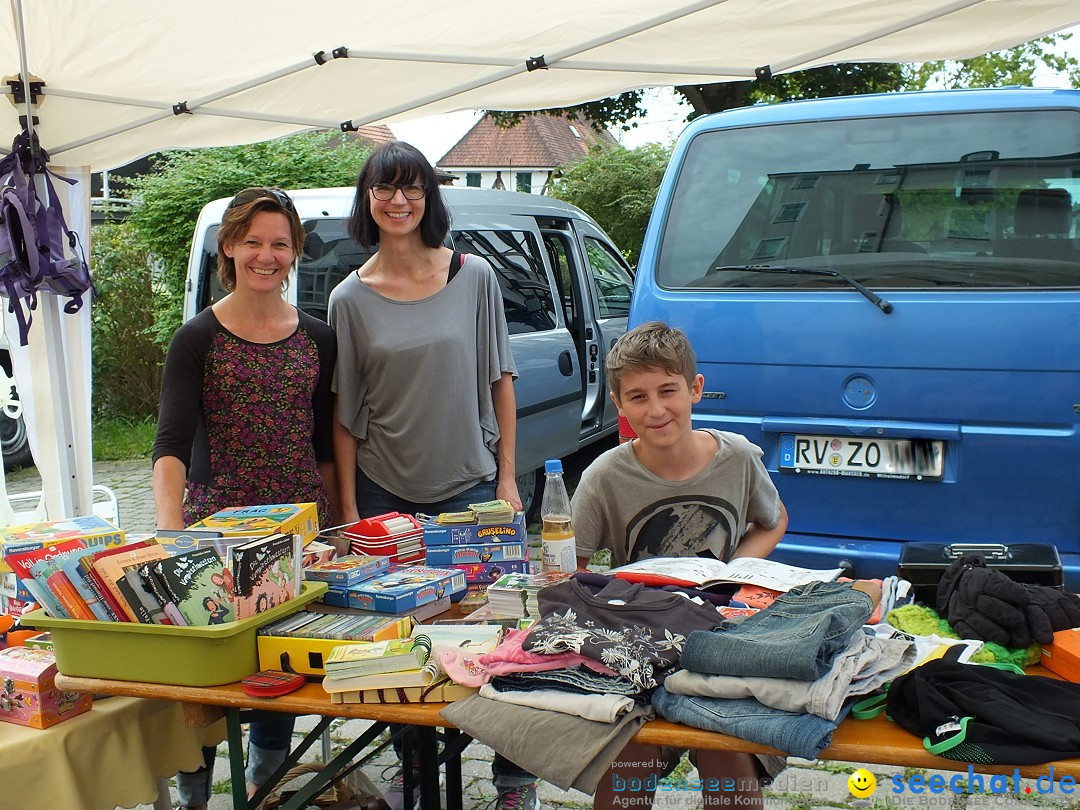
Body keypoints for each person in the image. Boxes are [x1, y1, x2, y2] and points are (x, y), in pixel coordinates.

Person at [328, 141, 537, 810]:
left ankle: (513, 780)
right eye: (385, 189)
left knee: (506, 633)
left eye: (411, 188)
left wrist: (507, 478)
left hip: (473, 487)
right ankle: (412, 769)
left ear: (429, 198)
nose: (398, 200)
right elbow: (345, 417)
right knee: (405, 638)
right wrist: (351, 508)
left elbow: (501, 381)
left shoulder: (473, 276)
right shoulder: (349, 298)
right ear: (367, 201)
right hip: (387, 493)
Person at [152, 186, 338, 810]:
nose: (267, 255)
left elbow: (325, 442)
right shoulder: (196, 338)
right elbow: (171, 444)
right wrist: (169, 531)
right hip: (214, 532)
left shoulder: (319, 337)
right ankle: (193, 791)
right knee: (208, 669)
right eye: (253, 242)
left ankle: (266, 782)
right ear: (228, 248)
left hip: (296, 530)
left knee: (278, 666)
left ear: (295, 253)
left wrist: (339, 527)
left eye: (280, 244)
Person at [571, 320, 789, 810]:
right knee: (627, 774)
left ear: (695, 389)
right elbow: (571, 564)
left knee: (728, 766)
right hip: (642, 644)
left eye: (668, 391)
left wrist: (731, 572)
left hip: (725, 636)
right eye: (638, 397)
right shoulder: (604, 477)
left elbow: (773, 520)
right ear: (618, 404)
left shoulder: (737, 457)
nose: (656, 409)